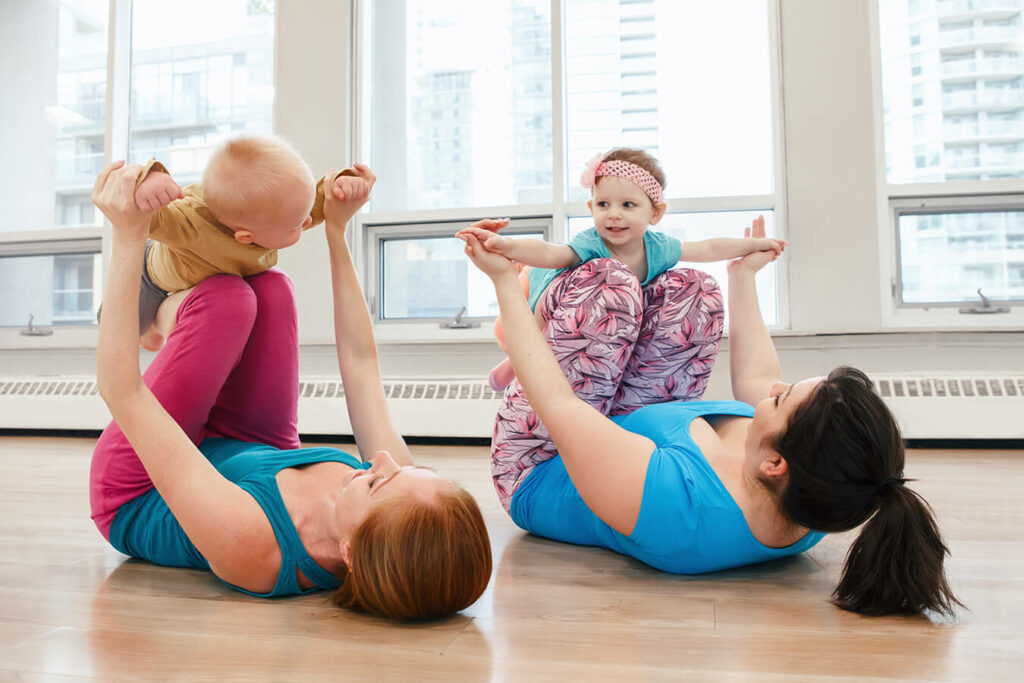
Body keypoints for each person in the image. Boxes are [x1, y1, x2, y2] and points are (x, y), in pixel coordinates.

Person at [459, 215, 960, 618]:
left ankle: (548, 290)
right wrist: (742, 277)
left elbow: (558, 403)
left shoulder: (677, 507)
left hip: (542, 460)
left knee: (607, 285)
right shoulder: (819, 496)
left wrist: (504, 282)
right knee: (694, 291)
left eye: (783, 400)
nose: (776, 390)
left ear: (774, 463)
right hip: (624, 424)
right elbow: (760, 377)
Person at [90, 160, 491, 620]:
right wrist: (337, 231)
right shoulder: (391, 507)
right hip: (247, 452)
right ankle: (170, 311)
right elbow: (361, 361)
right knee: (272, 289)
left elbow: (122, 390)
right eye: (408, 471)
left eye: (380, 480)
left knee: (225, 300)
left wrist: (128, 235)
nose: (383, 461)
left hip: (140, 485)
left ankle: (160, 315)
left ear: (349, 552)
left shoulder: (255, 547)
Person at [456, 148, 785, 391]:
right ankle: (512, 364)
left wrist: (751, 247)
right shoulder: (591, 244)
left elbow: (708, 248)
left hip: (605, 320)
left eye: (628, 205)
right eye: (603, 205)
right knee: (539, 325)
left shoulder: (658, 248)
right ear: (591, 208)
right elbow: (549, 252)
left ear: (655, 213)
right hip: (554, 295)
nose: (613, 215)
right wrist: (507, 246)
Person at [114, 134, 358, 351]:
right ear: (245, 237)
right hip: (153, 277)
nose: (307, 221)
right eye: (295, 226)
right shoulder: (190, 222)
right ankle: (153, 328)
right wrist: (148, 181)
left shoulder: (272, 213)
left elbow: (312, 206)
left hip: (207, 276)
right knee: (122, 327)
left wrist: (341, 184)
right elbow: (148, 219)